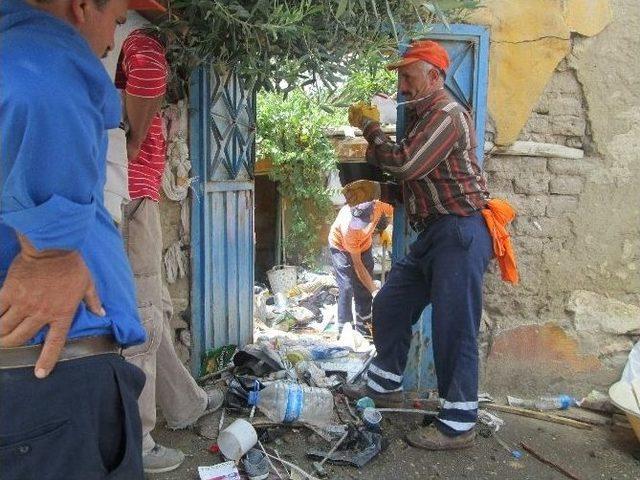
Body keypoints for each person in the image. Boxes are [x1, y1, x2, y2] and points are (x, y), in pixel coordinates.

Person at [342, 40, 517, 450]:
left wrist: (370, 129)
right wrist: (379, 189)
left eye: (408, 76)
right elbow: (423, 186)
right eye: (400, 78)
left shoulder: (447, 114)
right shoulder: (424, 119)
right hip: (439, 232)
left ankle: (458, 424)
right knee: (391, 303)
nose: (401, 87)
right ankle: (385, 382)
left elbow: (406, 164)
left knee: (454, 328)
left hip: (460, 232)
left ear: (435, 76)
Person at [0, 1, 147, 479]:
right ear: (82, 6)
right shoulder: (36, 46)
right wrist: (50, 253)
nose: (111, 44)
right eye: (117, 21)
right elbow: (35, 84)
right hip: (45, 384)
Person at [115, 28, 224, 474]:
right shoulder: (144, 44)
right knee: (143, 320)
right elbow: (145, 73)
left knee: (154, 312)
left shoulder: (144, 44)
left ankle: (185, 404)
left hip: (138, 203)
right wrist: (137, 142)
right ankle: (139, 441)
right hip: (133, 205)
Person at [328, 200, 393, 336]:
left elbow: (397, 212)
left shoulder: (380, 205)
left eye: (363, 221)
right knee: (346, 287)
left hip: (364, 245)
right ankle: (345, 330)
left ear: (373, 211)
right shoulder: (349, 227)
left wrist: (386, 227)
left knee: (364, 290)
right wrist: (375, 291)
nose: (359, 226)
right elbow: (358, 266)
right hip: (340, 246)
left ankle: (364, 329)